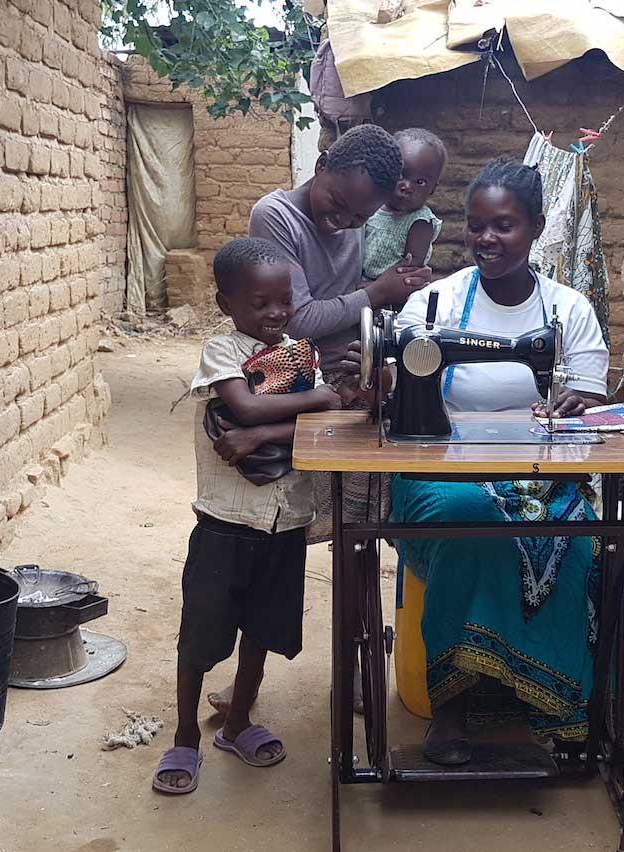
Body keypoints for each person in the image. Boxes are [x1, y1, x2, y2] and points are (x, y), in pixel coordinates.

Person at [380, 158, 609, 764]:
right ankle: (451, 708)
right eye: (476, 225)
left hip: (542, 470)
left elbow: (590, 403)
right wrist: (377, 380)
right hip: (440, 470)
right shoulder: (432, 306)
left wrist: (578, 400)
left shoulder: (568, 311)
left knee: (584, 539)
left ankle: (570, 710)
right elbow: (392, 383)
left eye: (503, 225)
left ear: (535, 227)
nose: (486, 238)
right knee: (466, 516)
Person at [205, 124, 433, 718]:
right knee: (264, 556)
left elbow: (341, 315)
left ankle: (360, 670)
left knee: (356, 552)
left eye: (359, 218)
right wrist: (375, 294)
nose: (342, 224)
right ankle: (243, 689)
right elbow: (298, 320)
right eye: (337, 205)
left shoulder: (353, 217)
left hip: (334, 394)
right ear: (323, 160)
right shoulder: (274, 216)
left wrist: (376, 310)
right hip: (287, 388)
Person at [153, 238, 342, 794]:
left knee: (261, 630)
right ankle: (185, 736)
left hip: (285, 524)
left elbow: (315, 420)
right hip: (224, 526)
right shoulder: (222, 352)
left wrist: (264, 432)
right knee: (201, 639)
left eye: (284, 300)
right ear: (227, 303)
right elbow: (246, 405)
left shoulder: (300, 354)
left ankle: (237, 722)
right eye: (260, 304)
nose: (276, 313)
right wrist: (312, 402)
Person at [363, 128, 446, 282]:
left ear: (432, 189)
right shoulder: (370, 208)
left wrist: (374, 288)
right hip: (361, 284)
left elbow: (409, 268)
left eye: (420, 182)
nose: (407, 186)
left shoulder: (420, 221)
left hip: (397, 292)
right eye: (401, 174)